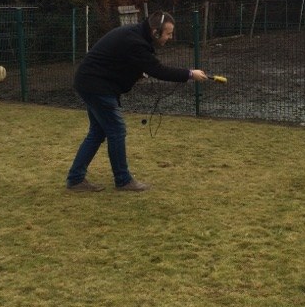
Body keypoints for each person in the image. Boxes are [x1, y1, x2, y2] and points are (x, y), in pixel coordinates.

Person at [66, 11, 207, 192]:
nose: (171, 37)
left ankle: (75, 179)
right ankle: (123, 180)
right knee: (116, 130)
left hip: (90, 82)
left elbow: (121, 62)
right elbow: (159, 70)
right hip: (96, 86)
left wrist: (137, 72)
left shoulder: (137, 36)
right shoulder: (136, 42)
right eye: (168, 33)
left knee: (97, 132)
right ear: (155, 32)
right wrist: (189, 74)